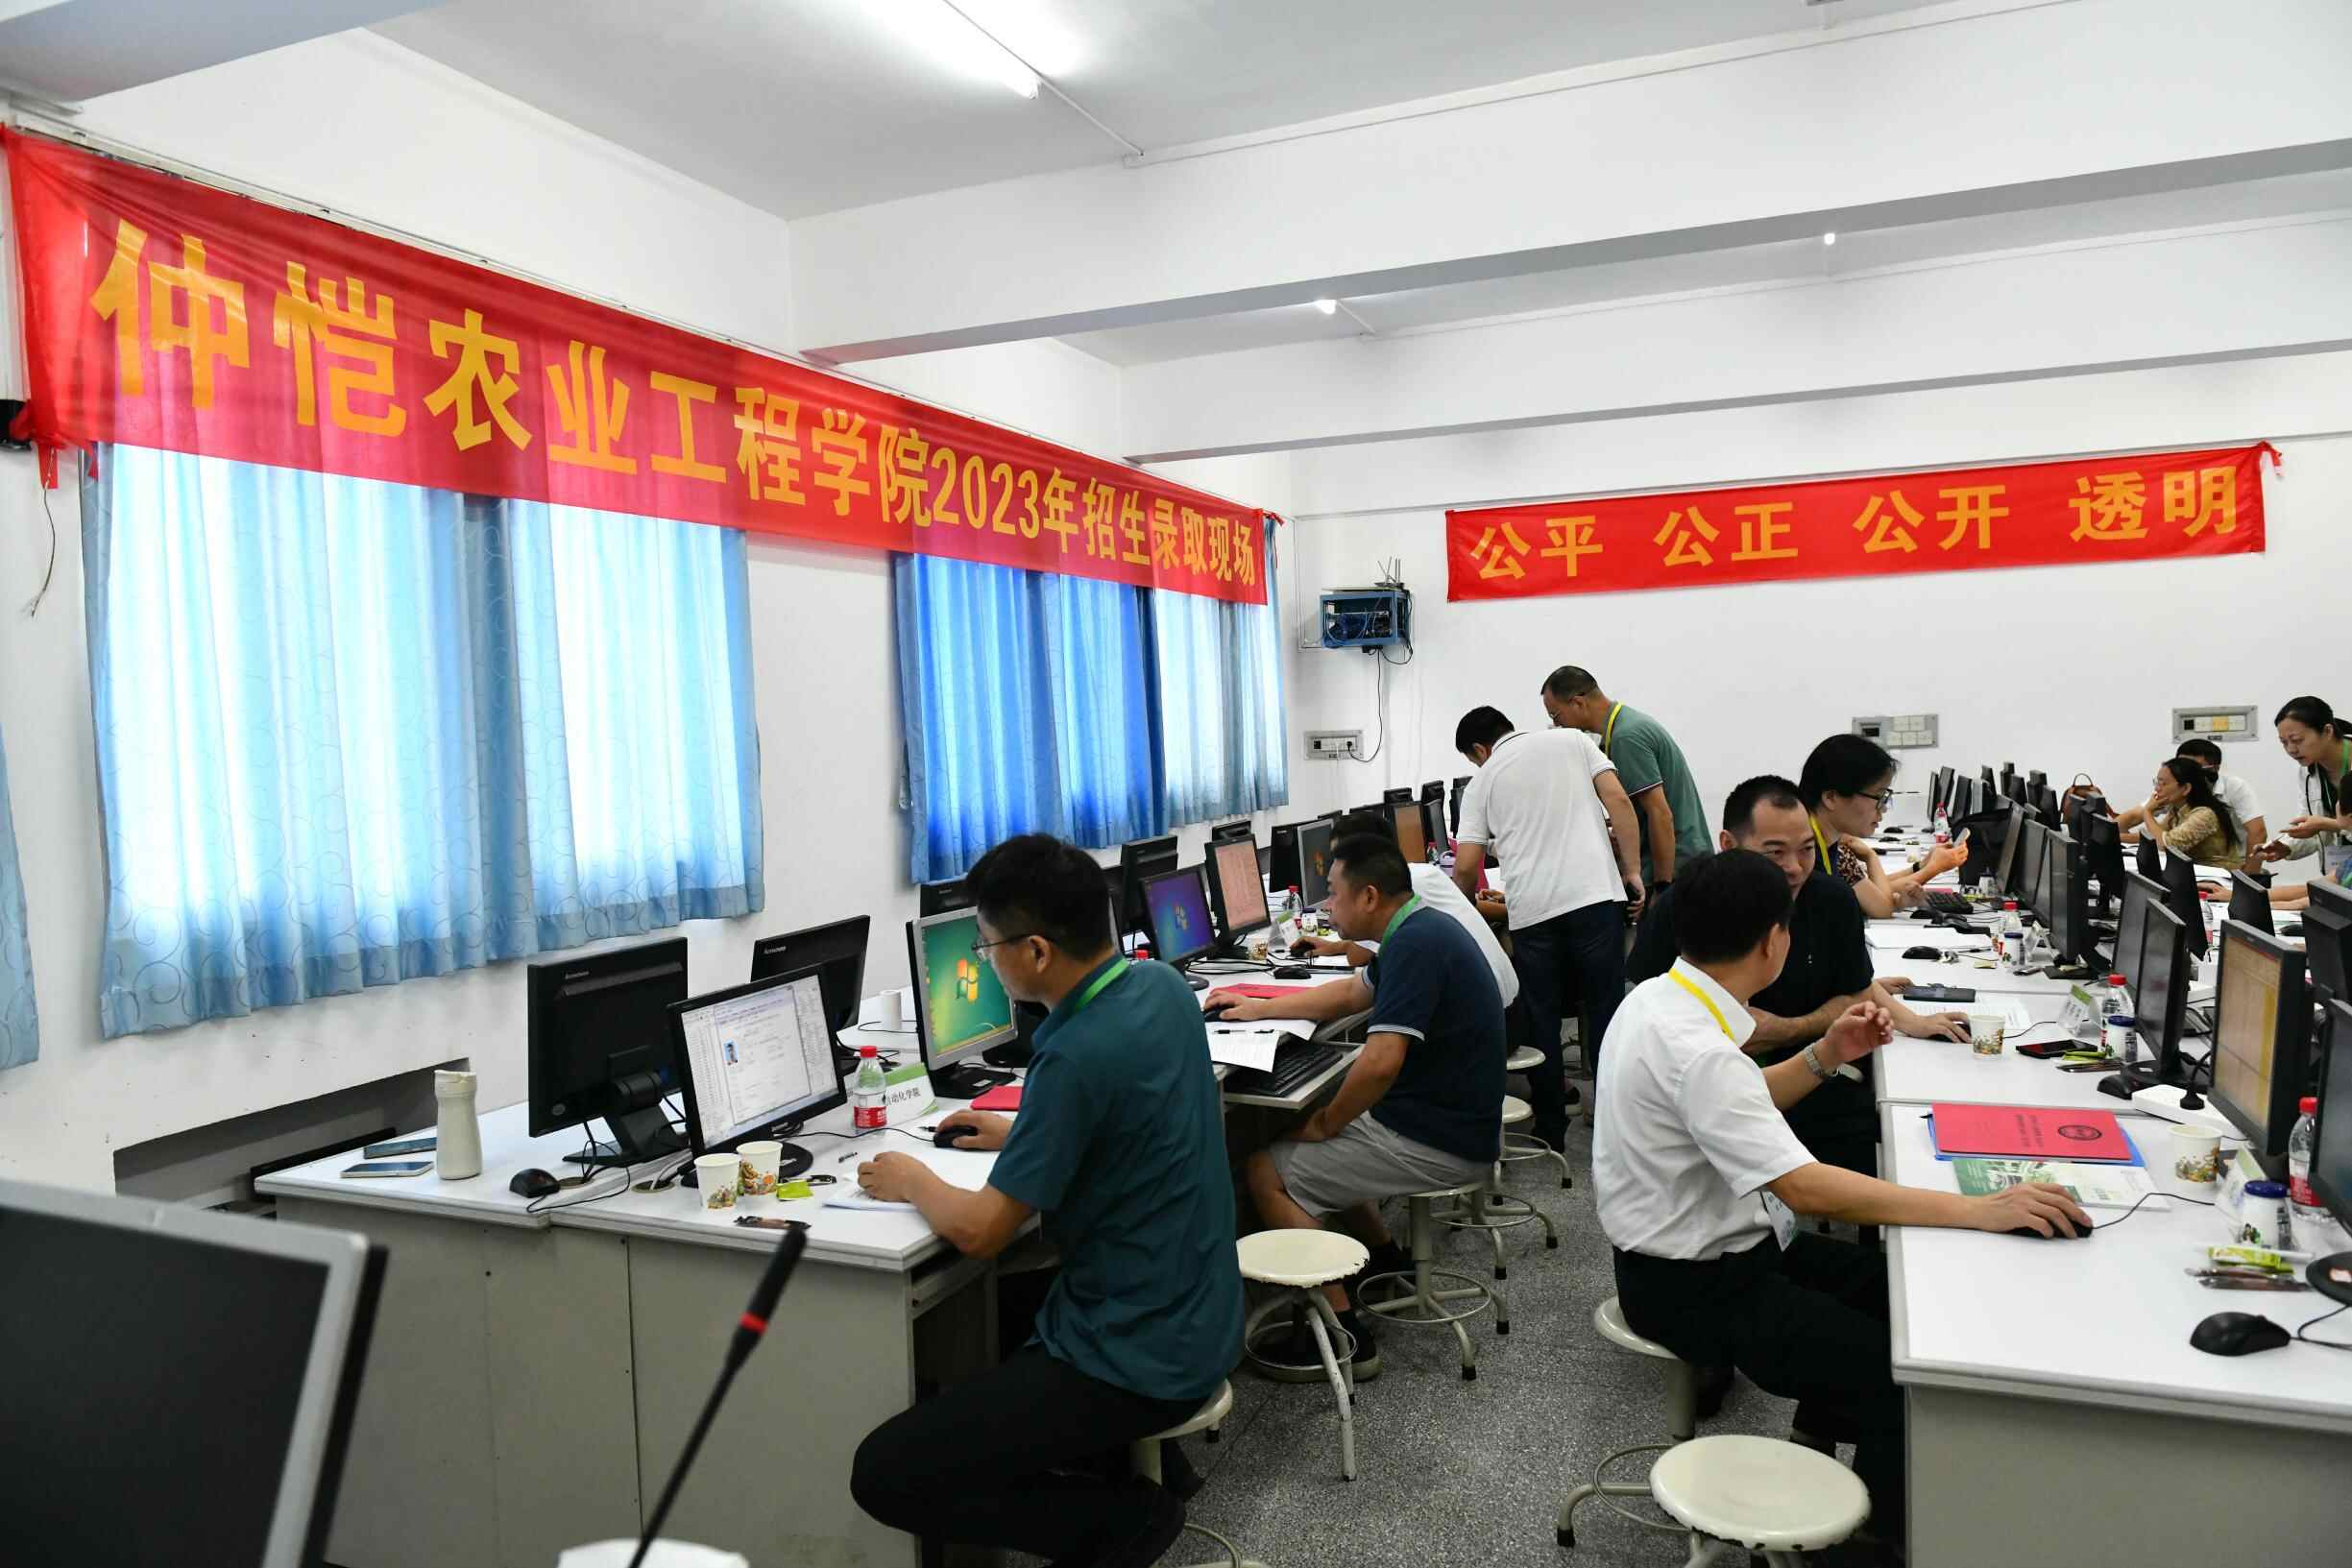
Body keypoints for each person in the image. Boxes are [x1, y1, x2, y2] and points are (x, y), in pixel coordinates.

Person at [1597, 849, 2091, 1554]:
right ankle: (1866, 1550)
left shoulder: (1660, 998)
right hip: (1694, 1286)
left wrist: (1826, 1053)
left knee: (1893, 1291)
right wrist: (1980, 1209)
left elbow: (1737, 1103)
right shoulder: (1696, 1047)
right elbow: (1801, 1185)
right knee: (1905, 1381)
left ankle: (1815, 1439)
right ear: (1773, 941)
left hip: (1715, 1254)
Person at [851, 833, 1243, 1567]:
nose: (984, 959)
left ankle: (1120, 1520)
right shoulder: (1158, 985)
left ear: (1035, 951)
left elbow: (981, 1231)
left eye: (987, 944)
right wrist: (1027, 1131)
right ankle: (1137, 1461)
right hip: (1201, 1304)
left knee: (883, 1471)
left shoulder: (1074, 1053)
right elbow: (1128, 1119)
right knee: (985, 1319)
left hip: (1137, 1350)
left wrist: (911, 1178)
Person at [1213, 831, 1507, 1380]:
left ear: (1369, 897)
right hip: (1452, 1123)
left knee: (1265, 1169)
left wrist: (1327, 1123)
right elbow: (1352, 994)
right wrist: (1257, 1006)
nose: (1327, 905)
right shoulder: (1418, 928)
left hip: (1442, 1140)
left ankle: (1342, 1333)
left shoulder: (1414, 946)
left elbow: (1379, 1064)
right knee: (1333, 1127)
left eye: (1333, 892)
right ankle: (1386, 1258)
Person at [1630, 777, 1971, 1179]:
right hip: (1710, 1094)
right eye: (1775, 852)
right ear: (1729, 844)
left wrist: (1791, 1031)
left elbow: (1855, 991)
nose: (1794, 868)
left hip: (1814, 1077)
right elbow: (1654, 1009)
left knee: (1901, 1142)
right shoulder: (1685, 905)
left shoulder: (1830, 900)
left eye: (1807, 849)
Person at [1451, 705, 1644, 1147]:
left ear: (1480, 750)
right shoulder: (1573, 740)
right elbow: (1620, 803)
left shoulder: (1483, 780)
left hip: (1533, 913)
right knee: (1606, 1011)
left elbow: (1465, 865)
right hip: (1595, 898)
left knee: (1542, 1018)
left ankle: (1551, 1128)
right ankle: (1617, 1127)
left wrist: (1460, 910)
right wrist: (1632, 870)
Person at [1289, 812, 1518, 1009]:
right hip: (1503, 1002)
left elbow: (1358, 957)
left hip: (1490, 1012)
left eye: (1342, 857)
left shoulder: (1400, 889)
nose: (1337, 867)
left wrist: (1344, 941)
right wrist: (1334, 946)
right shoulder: (1420, 873)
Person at [1540, 665, 1709, 893]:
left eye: (1555, 715)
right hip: (1684, 865)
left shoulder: (1626, 738)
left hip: (1678, 872)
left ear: (1578, 703)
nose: (1557, 725)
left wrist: (1662, 887)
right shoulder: (1622, 728)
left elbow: (1660, 814)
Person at [1797, 735, 1965, 919]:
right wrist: (1930, 869)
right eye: (1879, 796)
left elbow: (1869, 895)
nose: (1884, 808)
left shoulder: (1831, 844)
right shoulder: (1803, 855)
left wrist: (1918, 870)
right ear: (1831, 797)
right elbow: (1880, 906)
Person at [2245, 696, 2352, 879]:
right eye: (2284, 742)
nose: (2291, 749)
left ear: (2327, 731)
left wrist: (2326, 824)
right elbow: (2312, 828)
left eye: (2297, 740)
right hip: (2339, 873)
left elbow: (2321, 824)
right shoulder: (2308, 771)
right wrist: (2287, 846)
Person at [2130, 756, 2244, 871]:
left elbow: (2165, 844)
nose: (2157, 789)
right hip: (2195, 872)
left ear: (2185, 788)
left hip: (2218, 875)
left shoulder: (2205, 815)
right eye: (2157, 782)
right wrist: (2121, 838)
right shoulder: (2176, 810)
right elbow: (2154, 836)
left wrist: (2147, 812)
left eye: (2163, 783)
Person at [2176, 737, 2267, 848]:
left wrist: (2251, 860)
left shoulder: (2235, 787)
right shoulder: (2174, 785)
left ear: (2214, 769)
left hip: (2232, 857)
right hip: (2187, 855)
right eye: (2181, 767)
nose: (2186, 774)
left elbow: (2258, 831)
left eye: (2193, 769)